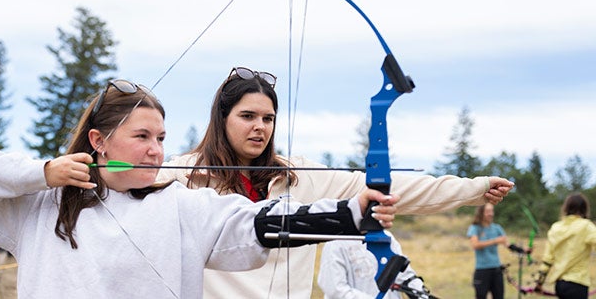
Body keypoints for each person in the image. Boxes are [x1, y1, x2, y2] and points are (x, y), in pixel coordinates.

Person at [0, 79, 399, 298]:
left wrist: (352, 214)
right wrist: (43, 172)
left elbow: (252, 225)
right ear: (99, 141)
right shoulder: (41, 206)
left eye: (160, 139)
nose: (156, 151)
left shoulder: (180, 204)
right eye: (141, 137)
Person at [155, 66, 515, 298]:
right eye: (247, 116)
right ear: (222, 118)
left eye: (268, 118)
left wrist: (474, 189)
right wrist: (96, 174)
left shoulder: (297, 174)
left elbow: (383, 188)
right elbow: (122, 185)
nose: (260, 127)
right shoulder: (182, 176)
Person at [317, 231, 431, 299]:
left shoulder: (386, 238)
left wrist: (420, 293)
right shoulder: (336, 243)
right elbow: (335, 289)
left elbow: (404, 275)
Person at [535, 193, 596, 299]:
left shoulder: (555, 228)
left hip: (560, 285)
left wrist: (539, 283)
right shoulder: (586, 226)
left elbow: (547, 260)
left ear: (566, 208)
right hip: (578, 283)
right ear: (584, 208)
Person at [467, 203, 506, 299]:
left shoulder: (497, 228)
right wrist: (495, 240)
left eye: (492, 211)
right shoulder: (475, 228)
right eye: (488, 211)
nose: (491, 214)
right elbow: (475, 245)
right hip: (482, 270)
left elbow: (507, 243)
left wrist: (524, 250)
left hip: (496, 269)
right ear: (481, 213)